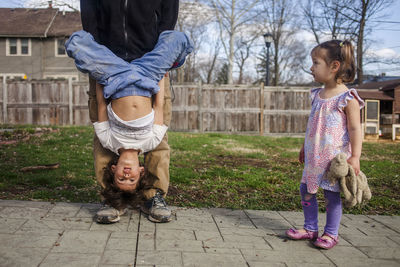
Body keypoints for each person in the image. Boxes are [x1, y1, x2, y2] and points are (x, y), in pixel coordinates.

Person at [79, 0, 180, 223]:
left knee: (158, 141)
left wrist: (161, 51)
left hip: (148, 59)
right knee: (102, 141)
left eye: (123, 178)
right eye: (128, 178)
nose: (126, 173)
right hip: (108, 60)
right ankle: (112, 197)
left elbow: (169, 9)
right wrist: (97, 49)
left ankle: (153, 195)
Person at [285, 40, 364, 249]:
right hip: (314, 155)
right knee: (306, 190)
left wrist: (355, 156)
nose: (311, 68)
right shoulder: (316, 95)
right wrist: (304, 146)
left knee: (331, 195)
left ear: (334, 66)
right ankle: (310, 228)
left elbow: (356, 129)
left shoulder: (347, 98)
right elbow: (312, 125)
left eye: (316, 63)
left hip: (333, 159)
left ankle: (331, 233)